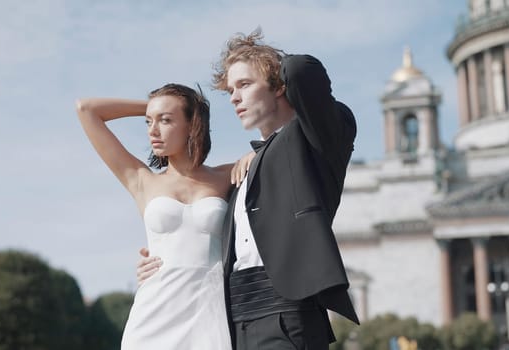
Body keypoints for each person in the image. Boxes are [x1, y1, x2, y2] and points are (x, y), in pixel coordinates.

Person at [138, 29, 359, 349]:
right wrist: (159, 259)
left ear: (280, 86)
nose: (234, 98)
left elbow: (300, 69)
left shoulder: (317, 141)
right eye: (230, 89)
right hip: (231, 321)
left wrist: (267, 62)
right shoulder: (246, 171)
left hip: (287, 315)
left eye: (244, 84)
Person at [76, 83, 252, 349]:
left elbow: (279, 151)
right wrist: (153, 107)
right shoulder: (141, 180)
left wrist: (254, 154)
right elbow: (87, 109)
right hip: (155, 309)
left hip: (209, 309)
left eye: (166, 120)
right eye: (149, 121)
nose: (152, 130)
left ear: (193, 124)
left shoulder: (228, 176)